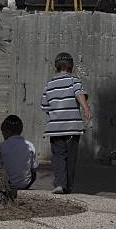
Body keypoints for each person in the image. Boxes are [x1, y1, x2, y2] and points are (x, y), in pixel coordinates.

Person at [40, 52, 93, 194]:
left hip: (55, 128)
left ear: (55, 67)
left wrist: (56, 115)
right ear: (72, 67)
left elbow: (45, 106)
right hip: (72, 127)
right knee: (71, 157)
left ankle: (59, 184)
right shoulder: (73, 80)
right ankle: (68, 186)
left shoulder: (49, 84)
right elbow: (79, 94)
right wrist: (86, 108)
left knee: (58, 157)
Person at [0, 115, 38, 190]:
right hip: (25, 185)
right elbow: (34, 171)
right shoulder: (30, 145)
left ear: (7, 131)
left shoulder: (1, 147)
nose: (2, 134)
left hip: (7, 185)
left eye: (2, 132)